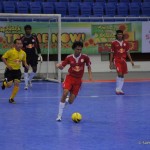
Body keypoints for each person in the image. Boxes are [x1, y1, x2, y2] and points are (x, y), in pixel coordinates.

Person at [56, 41, 92, 121]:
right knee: (65, 93)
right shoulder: (69, 57)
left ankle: (65, 100)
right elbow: (62, 67)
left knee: (71, 102)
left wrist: (90, 76)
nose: (79, 51)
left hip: (78, 81)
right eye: (77, 49)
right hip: (70, 77)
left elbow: (89, 66)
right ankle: (59, 116)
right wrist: (58, 66)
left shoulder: (85, 57)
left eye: (80, 49)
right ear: (74, 49)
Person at [1, 39, 28, 104]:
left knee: (17, 84)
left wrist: (26, 65)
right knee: (9, 85)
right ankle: (4, 83)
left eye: (20, 43)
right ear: (14, 44)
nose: (19, 45)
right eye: (18, 43)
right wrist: (8, 65)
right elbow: (3, 57)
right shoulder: (10, 51)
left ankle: (11, 98)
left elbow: (24, 61)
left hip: (17, 71)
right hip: (10, 71)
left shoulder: (23, 53)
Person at [109, 30, 134, 95]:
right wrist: (111, 63)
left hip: (124, 60)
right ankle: (117, 89)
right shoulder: (113, 43)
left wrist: (131, 60)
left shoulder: (126, 43)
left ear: (122, 35)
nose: (120, 35)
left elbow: (128, 52)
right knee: (119, 73)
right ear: (116, 35)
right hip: (117, 60)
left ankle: (120, 89)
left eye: (121, 34)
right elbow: (112, 53)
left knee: (122, 75)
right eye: (118, 34)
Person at [20, 25, 43, 90]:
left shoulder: (34, 37)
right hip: (25, 56)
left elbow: (37, 46)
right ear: (25, 30)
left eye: (29, 29)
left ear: (31, 30)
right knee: (26, 69)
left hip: (33, 55)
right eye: (27, 29)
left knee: (35, 69)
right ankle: (26, 85)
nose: (28, 30)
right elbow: (20, 47)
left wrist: (39, 54)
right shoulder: (22, 38)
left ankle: (29, 80)